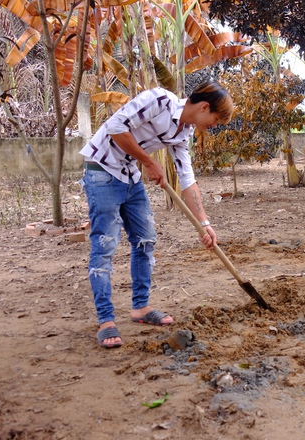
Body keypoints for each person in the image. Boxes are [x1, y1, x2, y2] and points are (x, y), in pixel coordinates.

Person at [79, 80, 234, 348]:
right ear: (204, 107)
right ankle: (106, 321)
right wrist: (150, 162)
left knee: (145, 239)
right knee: (105, 246)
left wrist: (204, 224)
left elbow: (187, 179)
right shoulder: (159, 100)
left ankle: (140, 308)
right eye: (216, 119)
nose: (215, 125)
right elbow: (115, 128)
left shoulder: (183, 132)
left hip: (129, 176)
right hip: (102, 170)